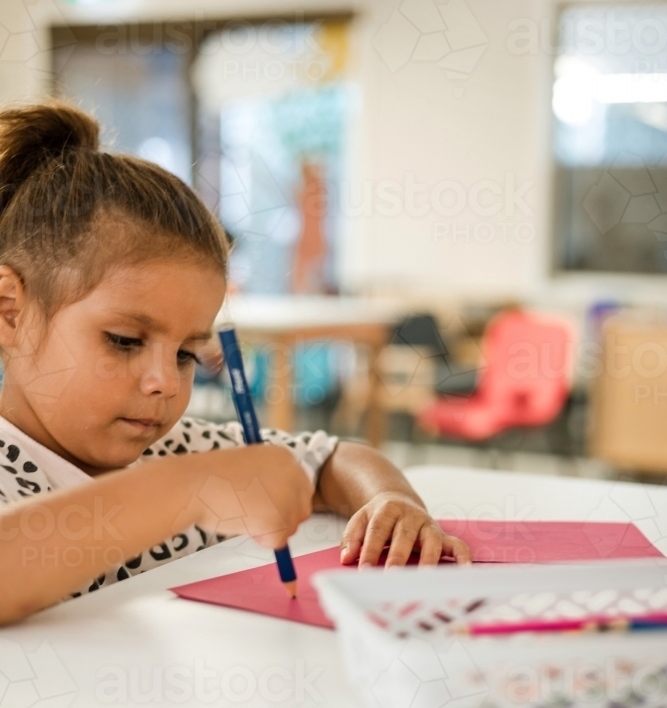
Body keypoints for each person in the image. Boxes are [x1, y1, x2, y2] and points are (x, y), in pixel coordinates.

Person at [0, 102, 470, 624]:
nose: (163, 383)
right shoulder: (178, 472)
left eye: (185, 354)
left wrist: (390, 502)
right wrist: (188, 490)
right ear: (10, 313)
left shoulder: (176, 449)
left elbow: (336, 457)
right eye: (125, 340)